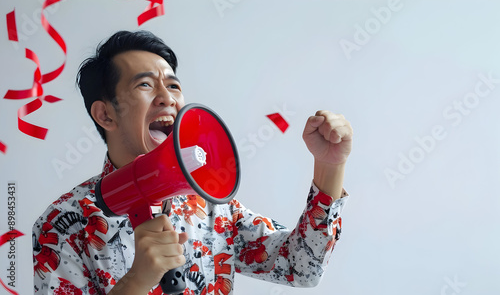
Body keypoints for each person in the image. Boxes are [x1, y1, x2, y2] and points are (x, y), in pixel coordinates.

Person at [32, 30, 353, 295]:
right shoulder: (64, 224)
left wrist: (329, 166)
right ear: (105, 114)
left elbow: (301, 268)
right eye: (145, 84)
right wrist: (135, 283)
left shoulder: (210, 201)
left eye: (173, 85)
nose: (167, 97)